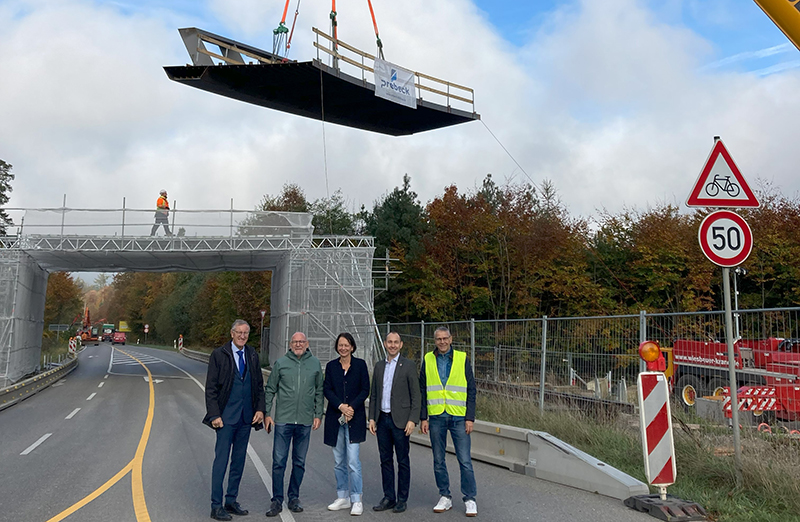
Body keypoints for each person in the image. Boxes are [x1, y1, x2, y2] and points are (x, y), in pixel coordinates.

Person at [203, 320, 266, 521]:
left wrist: (260, 409)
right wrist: (214, 415)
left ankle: (231, 501)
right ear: (232, 333)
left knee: (238, 462)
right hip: (225, 419)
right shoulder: (219, 355)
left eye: (246, 333)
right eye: (239, 332)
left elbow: (258, 385)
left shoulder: (253, 355)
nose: (242, 336)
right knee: (221, 462)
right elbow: (211, 388)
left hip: (246, 418)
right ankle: (216, 505)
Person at [420, 326, 478, 517]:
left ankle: (470, 499)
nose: (442, 342)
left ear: (451, 339)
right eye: (438, 339)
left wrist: (470, 417)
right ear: (434, 341)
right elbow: (422, 389)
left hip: (459, 417)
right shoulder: (428, 359)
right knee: (438, 460)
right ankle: (444, 496)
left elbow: (471, 389)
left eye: (445, 338)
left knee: (465, 460)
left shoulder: (462, 358)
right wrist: (423, 417)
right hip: (436, 416)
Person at [263, 331, 323, 517]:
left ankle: (294, 497)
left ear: (307, 343)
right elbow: (270, 389)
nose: (298, 345)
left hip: (305, 421)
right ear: (290, 344)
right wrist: (267, 413)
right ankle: (277, 500)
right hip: (283, 420)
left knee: (299, 462)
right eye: (295, 342)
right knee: (279, 461)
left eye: (301, 342)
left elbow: (319, 390)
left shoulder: (315, 364)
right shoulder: (281, 363)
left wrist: (318, 414)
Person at [368, 331, 421, 513]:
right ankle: (389, 497)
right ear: (385, 343)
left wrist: (413, 420)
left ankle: (402, 499)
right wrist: (372, 418)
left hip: (401, 421)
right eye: (389, 342)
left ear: (401, 344)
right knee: (385, 460)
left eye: (395, 342)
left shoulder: (408, 365)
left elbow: (416, 395)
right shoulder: (379, 366)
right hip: (382, 419)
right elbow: (374, 394)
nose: (392, 345)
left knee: (403, 461)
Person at [323, 333, 370, 516]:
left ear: (352, 347)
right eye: (340, 345)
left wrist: (351, 408)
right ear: (337, 347)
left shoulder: (360, 365)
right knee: (338, 461)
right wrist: (341, 406)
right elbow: (327, 389)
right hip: (336, 419)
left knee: (352, 461)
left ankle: (357, 499)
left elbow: (365, 389)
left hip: (354, 419)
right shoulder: (331, 366)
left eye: (346, 345)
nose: (343, 348)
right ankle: (342, 497)